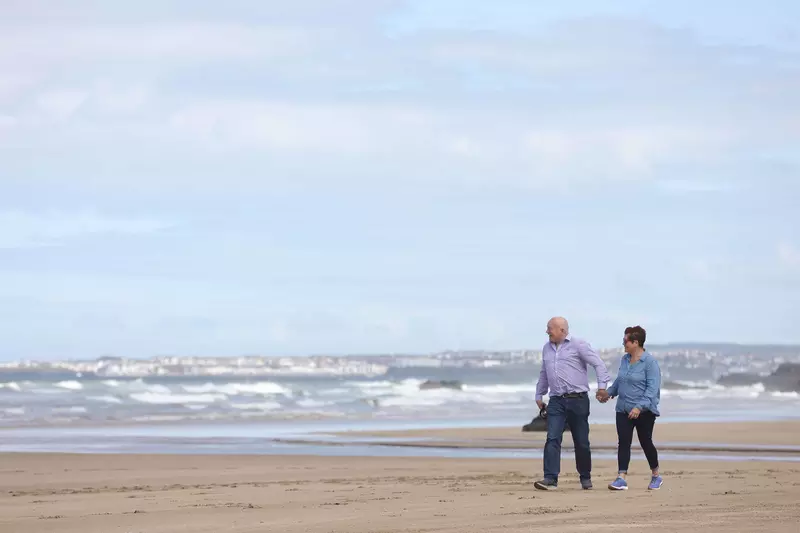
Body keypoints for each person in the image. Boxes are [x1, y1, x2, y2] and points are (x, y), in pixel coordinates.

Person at [533, 317, 612, 490]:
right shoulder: (546, 348)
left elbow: (598, 364)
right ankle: (550, 479)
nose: (547, 332)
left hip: (578, 400)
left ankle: (585, 477)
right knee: (552, 438)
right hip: (556, 401)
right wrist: (539, 393)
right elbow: (544, 373)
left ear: (562, 330)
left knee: (581, 441)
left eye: (550, 328)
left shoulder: (578, 344)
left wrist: (601, 387)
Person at [597, 325, 663, 491]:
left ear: (636, 342)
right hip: (623, 409)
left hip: (644, 411)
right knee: (623, 443)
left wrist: (639, 407)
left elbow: (652, 390)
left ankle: (656, 475)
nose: (623, 343)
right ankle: (621, 478)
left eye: (626, 340)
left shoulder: (650, 363)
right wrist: (608, 393)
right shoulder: (625, 360)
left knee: (645, 442)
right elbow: (620, 382)